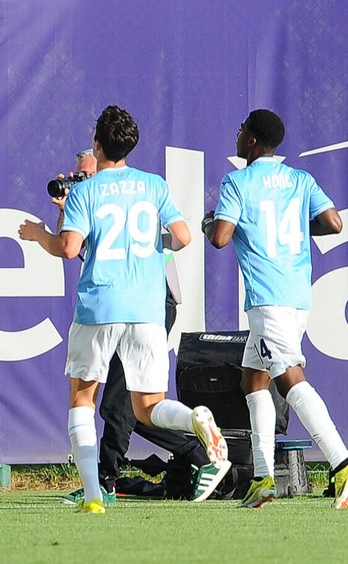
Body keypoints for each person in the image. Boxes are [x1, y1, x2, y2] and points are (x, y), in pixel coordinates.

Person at [18, 105, 230, 515]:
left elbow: (68, 249)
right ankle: (195, 418)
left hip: (100, 305)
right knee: (148, 406)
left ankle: (94, 495)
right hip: (148, 307)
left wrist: (41, 233)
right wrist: (148, 248)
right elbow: (184, 237)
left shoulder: (85, 192)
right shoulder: (153, 185)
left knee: (82, 398)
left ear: (97, 145)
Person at [202, 108, 348, 509]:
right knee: (253, 382)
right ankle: (262, 478)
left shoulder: (236, 181)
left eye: (242, 130)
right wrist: (295, 225)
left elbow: (221, 238)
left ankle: (342, 462)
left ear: (252, 141)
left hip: (267, 297)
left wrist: (210, 223)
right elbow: (334, 223)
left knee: (290, 378)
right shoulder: (300, 179)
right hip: (297, 295)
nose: (237, 134)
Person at [57, 147, 212, 504]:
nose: (82, 181)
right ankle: (109, 478)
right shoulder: (134, 191)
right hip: (142, 306)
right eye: (78, 176)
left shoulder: (105, 195)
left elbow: (87, 250)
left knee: (115, 403)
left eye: (86, 174)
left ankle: (107, 483)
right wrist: (72, 214)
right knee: (130, 407)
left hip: (144, 302)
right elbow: (90, 252)